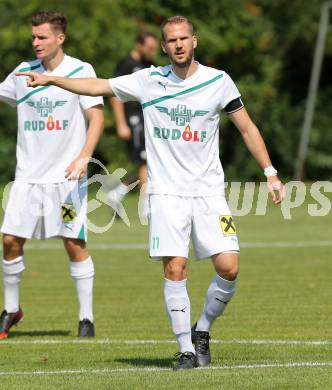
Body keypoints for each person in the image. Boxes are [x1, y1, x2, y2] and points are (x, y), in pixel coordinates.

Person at [18, 15, 285, 369]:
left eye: (184, 39)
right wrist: (51, 78)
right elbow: (98, 86)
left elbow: (248, 128)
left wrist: (270, 173)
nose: (178, 45)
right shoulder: (148, 80)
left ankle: (202, 329)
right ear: (163, 47)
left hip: (208, 193)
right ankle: (186, 349)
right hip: (165, 193)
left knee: (230, 268)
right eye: (171, 40)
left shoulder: (219, 81)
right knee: (175, 268)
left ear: (195, 41)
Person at [0, 11, 104, 339]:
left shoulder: (81, 71)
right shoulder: (21, 72)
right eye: (33, 37)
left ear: (60, 38)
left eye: (42, 37)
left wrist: (84, 156)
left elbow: (97, 118)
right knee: (10, 240)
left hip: (66, 179)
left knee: (74, 242)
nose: (35, 43)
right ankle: (11, 309)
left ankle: (86, 319)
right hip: (27, 178)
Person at [108, 31, 158, 217]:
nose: (152, 52)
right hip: (133, 119)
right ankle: (146, 206)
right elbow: (114, 94)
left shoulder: (148, 66)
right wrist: (121, 123)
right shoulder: (126, 64)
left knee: (151, 162)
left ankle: (118, 192)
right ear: (139, 44)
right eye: (149, 47)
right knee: (145, 161)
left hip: (148, 119)